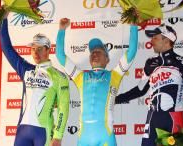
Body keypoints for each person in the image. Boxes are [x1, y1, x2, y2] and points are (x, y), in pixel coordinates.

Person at [56, 18, 138, 146]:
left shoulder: (114, 75)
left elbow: (131, 52)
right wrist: (61, 30)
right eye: (92, 52)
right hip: (84, 137)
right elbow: (60, 56)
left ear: (107, 59)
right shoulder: (80, 76)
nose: (94, 54)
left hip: (105, 135)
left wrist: (133, 25)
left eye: (98, 52)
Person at [115, 24, 183, 146]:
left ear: (166, 40)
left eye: (155, 37)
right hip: (152, 119)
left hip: (173, 119)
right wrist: (115, 99)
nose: (151, 41)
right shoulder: (150, 63)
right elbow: (140, 90)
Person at [0, 14, 70, 146]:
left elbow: (63, 107)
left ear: (48, 50)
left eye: (39, 49)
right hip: (22, 131)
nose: (35, 52)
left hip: (43, 132)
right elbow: (7, 48)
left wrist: (58, 136)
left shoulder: (59, 77)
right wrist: (3, 19)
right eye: (33, 49)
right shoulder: (26, 70)